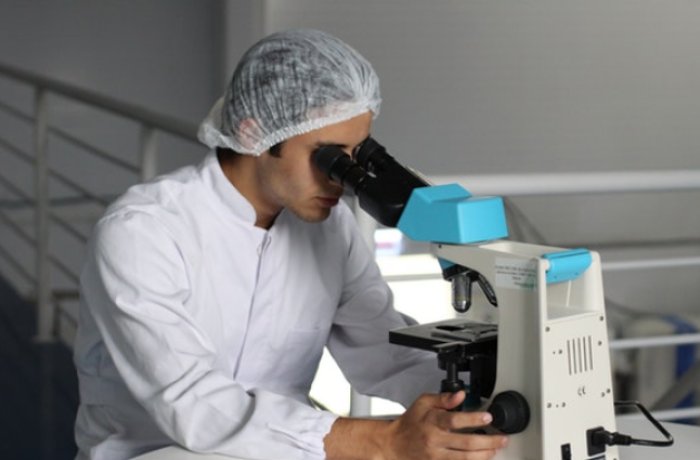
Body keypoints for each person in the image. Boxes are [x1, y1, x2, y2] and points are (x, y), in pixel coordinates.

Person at [73, 29, 508, 460]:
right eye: (329, 156)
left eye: (357, 156)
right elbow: (191, 403)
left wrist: (472, 401)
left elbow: (384, 353)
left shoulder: (329, 230)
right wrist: (386, 441)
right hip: (157, 452)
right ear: (254, 134)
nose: (342, 179)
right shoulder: (144, 231)